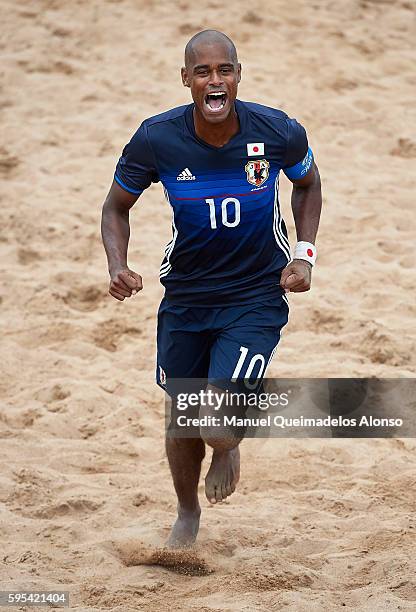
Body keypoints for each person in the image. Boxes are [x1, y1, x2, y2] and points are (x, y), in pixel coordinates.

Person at [101, 30, 322, 547]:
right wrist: (117, 263)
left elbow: (308, 185)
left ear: (238, 75)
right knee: (182, 416)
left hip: (255, 296)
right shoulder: (157, 138)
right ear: (186, 80)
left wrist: (305, 255)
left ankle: (227, 442)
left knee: (216, 425)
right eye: (202, 72)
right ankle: (187, 512)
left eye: (224, 69)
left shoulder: (277, 131)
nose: (214, 80)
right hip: (185, 298)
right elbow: (115, 206)